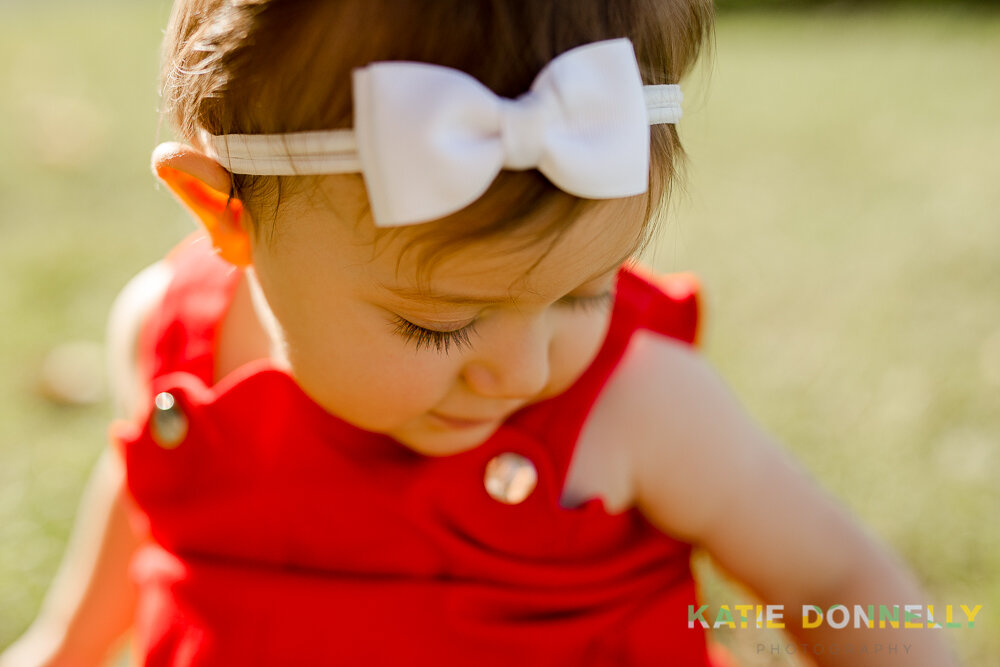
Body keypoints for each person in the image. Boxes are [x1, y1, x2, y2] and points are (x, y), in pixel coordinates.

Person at [1, 1, 960, 665]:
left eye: (585, 292)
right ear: (226, 215)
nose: (527, 368)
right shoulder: (168, 343)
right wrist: (67, 644)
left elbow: (835, 578)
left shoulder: (639, 409)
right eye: (438, 323)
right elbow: (153, 497)